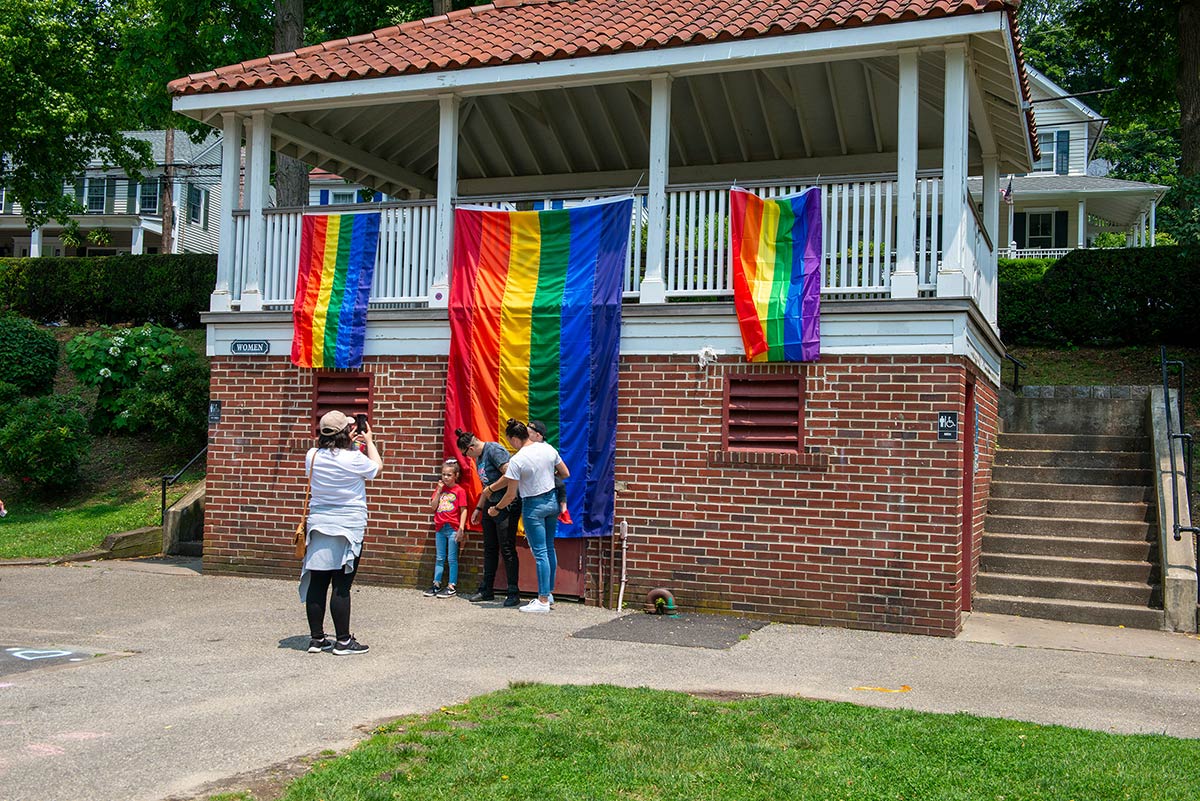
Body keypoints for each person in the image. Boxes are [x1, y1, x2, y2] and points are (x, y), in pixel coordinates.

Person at [300, 410, 382, 655]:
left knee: (318, 582)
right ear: (346, 432)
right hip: (348, 526)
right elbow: (376, 468)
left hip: (319, 524)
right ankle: (343, 642)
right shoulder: (353, 458)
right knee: (341, 585)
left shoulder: (312, 455)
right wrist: (368, 440)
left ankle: (317, 639)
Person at [485, 419, 569, 614]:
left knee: (540, 553)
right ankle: (548, 594)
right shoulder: (547, 449)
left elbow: (510, 495)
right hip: (552, 501)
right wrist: (546, 475)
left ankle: (542, 600)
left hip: (533, 505)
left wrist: (495, 509)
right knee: (549, 549)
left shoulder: (517, 460)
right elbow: (565, 473)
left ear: (515, 439)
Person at [456, 428, 522, 606]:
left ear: (470, 448)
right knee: (490, 548)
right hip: (490, 504)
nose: (469, 458)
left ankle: (513, 592)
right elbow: (486, 484)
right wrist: (479, 507)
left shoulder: (494, 451)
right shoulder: (479, 456)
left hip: (507, 504)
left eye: (467, 455)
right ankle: (487, 589)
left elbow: (510, 475)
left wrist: (491, 490)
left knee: (507, 548)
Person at [424, 459, 467, 599]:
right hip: (440, 528)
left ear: (456, 475)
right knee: (440, 557)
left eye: (449, 475)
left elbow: (464, 510)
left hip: (453, 528)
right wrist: (439, 491)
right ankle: (436, 583)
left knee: (452, 558)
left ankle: (451, 585)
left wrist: (461, 528)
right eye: (443, 474)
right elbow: (433, 507)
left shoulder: (459, 491)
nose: (446, 477)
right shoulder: (440, 490)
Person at [527, 421, 571, 524]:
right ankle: (564, 510)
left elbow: (565, 473)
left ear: (538, 435)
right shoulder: (550, 449)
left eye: (528, 433)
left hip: (533, 499)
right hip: (551, 500)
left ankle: (564, 509)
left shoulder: (529, 450)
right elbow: (565, 473)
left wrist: (550, 478)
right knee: (548, 539)